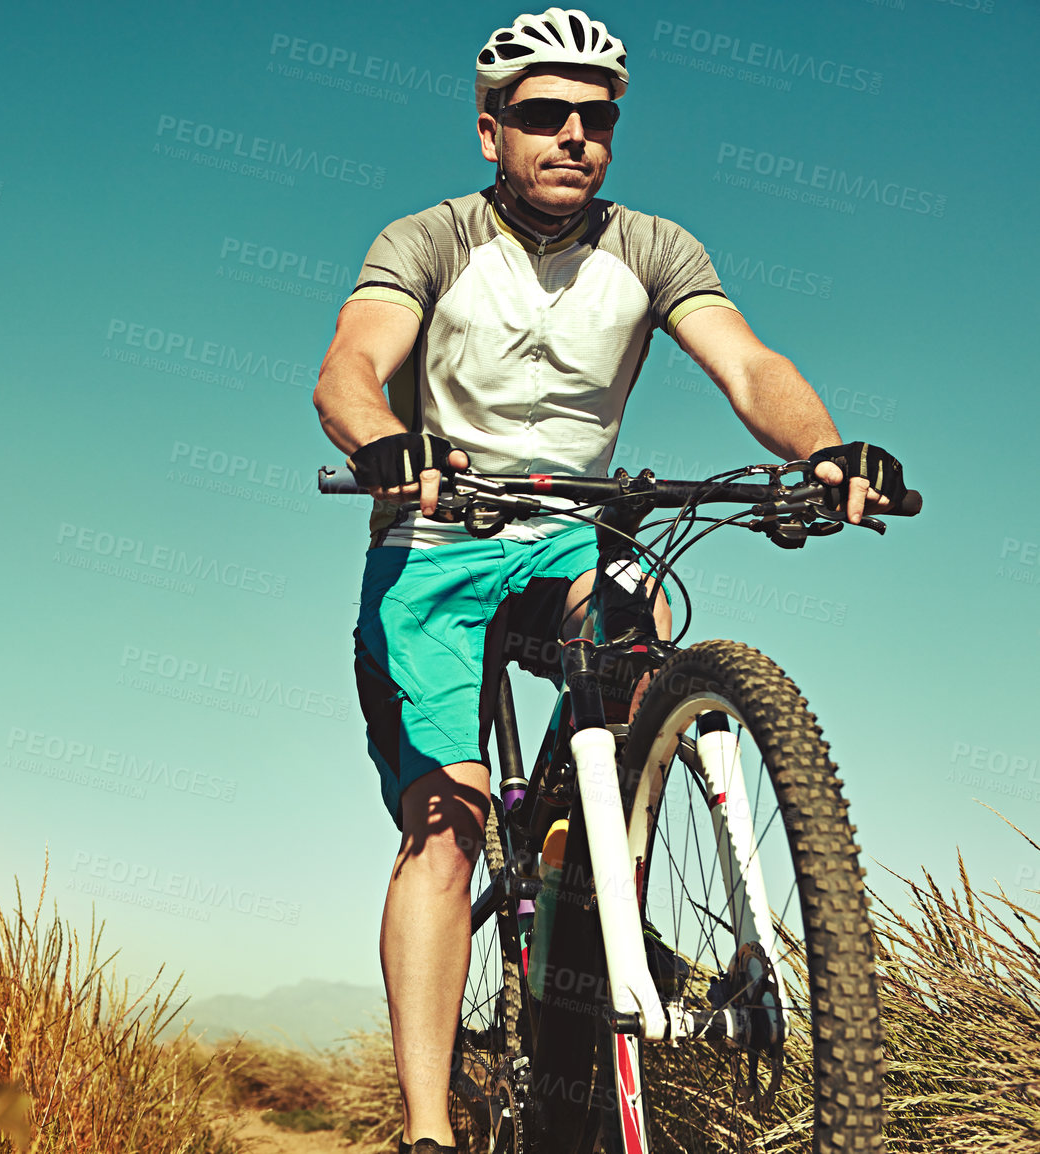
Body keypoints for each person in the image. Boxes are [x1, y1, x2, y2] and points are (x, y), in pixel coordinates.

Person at [310, 8, 913, 1152]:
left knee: (650, 649)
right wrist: (381, 440)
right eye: (543, 114)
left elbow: (747, 361)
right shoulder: (428, 238)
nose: (573, 134)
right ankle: (428, 1126)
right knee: (445, 822)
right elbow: (350, 364)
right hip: (433, 548)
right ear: (493, 131)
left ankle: (592, 869)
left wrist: (822, 450)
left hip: (566, 539)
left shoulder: (651, 246)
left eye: (597, 117)